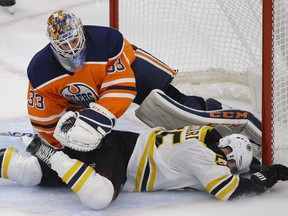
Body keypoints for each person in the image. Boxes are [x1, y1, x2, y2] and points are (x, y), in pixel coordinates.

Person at [27, 9, 260, 151]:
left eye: (74, 40)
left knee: (171, 109)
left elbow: (122, 86)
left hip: (134, 68)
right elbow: (44, 116)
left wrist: (95, 120)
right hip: (92, 93)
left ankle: (221, 114)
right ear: (52, 43)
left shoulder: (106, 41)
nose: (71, 48)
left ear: (81, 31)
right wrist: (58, 145)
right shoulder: (41, 70)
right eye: (63, 44)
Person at [1, 125, 287, 210]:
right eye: (234, 164)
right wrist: (266, 178)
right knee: (99, 197)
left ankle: (28, 157)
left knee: (30, 173)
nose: (231, 169)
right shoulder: (203, 156)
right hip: (123, 156)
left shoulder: (202, 137)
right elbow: (227, 190)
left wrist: (260, 167)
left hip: (120, 144)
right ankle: (50, 153)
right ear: (228, 152)